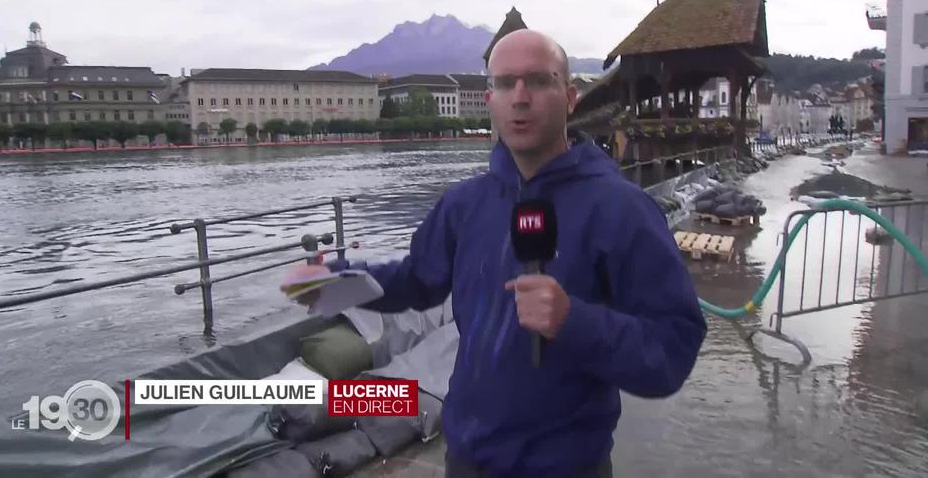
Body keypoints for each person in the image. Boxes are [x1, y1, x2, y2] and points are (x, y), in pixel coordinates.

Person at [285, 29, 708, 477]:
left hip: (566, 466)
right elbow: (416, 279)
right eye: (505, 84)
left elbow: (672, 348)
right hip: (467, 459)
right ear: (490, 99)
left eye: (538, 81)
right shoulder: (464, 205)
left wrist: (574, 321)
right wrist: (341, 282)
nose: (520, 97)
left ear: (569, 96)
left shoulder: (623, 211)